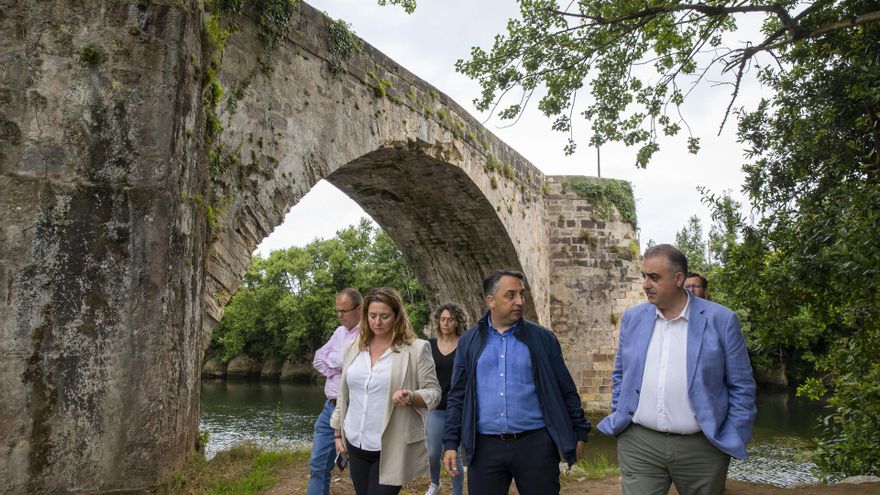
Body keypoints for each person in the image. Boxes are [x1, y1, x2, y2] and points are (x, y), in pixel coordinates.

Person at [597, 244, 757, 495]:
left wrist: (732, 435)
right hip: (640, 443)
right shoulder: (633, 318)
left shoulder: (722, 320)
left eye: (655, 277)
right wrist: (620, 414)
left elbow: (742, 386)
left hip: (702, 448)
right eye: (644, 276)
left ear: (679, 279)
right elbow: (621, 374)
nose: (646, 284)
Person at [442, 270, 591, 495]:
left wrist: (580, 431)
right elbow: (457, 395)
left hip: (536, 445)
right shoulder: (469, 342)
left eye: (521, 294)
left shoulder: (543, 339)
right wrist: (451, 442)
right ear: (490, 300)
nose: (520, 301)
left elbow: (565, 388)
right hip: (484, 448)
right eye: (511, 295)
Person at [331, 287, 441, 495]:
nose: (377, 322)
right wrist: (337, 434)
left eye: (384, 316)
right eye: (372, 316)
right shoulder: (353, 348)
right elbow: (344, 394)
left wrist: (411, 396)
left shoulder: (417, 349)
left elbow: (434, 393)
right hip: (355, 443)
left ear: (397, 316)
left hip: (391, 447)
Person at [306, 288, 363, 495]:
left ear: (359, 309)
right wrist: (339, 364)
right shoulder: (339, 332)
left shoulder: (368, 333)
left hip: (354, 409)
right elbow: (318, 358)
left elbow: (350, 362)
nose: (339, 315)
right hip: (329, 408)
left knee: (359, 470)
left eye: (344, 311)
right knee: (318, 464)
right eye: (337, 311)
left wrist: (340, 362)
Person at [425, 303, 468, 495]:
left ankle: (457, 491)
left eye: (450, 319)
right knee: (434, 452)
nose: (446, 323)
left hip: (458, 407)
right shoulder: (430, 345)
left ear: (457, 322)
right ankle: (435, 483)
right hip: (435, 406)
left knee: (454, 453)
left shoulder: (465, 344)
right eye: (442, 319)